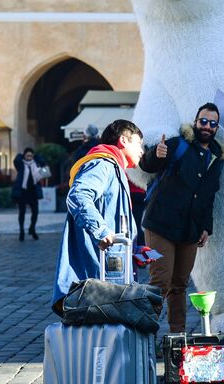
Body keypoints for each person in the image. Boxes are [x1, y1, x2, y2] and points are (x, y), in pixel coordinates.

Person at [138, 103, 224, 334]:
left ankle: (177, 336)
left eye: (212, 123)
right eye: (203, 121)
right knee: (160, 282)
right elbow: (146, 165)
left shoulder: (217, 158)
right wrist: (155, 155)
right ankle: (146, 335)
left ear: (217, 127)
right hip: (161, 225)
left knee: (179, 286)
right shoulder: (178, 145)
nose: (207, 126)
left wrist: (206, 227)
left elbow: (209, 196)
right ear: (196, 122)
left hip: (190, 230)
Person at [51, 119, 144, 313]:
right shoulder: (102, 164)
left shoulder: (115, 168)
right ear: (123, 140)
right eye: (138, 143)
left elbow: (116, 221)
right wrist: (100, 230)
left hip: (109, 272)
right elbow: (78, 196)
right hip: (94, 275)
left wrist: (134, 250)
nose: (141, 150)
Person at [11, 148, 45, 241]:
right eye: (27, 155)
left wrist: (36, 156)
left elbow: (44, 164)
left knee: (35, 212)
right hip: (23, 192)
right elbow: (16, 159)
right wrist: (22, 154)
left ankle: (32, 228)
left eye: (31, 155)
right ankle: (21, 231)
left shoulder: (36, 164)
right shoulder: (21, 164)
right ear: (24, 156)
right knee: (22, 213)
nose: (29, 157)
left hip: (33, 192)